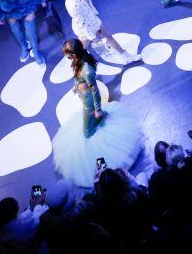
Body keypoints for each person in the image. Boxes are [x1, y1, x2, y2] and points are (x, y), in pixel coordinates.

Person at [51, 39, 145, 187]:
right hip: (84, 99)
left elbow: (95, 91)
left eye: (67, 54)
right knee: (93, 125)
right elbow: (78, 77)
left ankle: (102, 158)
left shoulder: (87, 69)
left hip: (89, 104)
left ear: (74, 54)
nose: (66, 57)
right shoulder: (77, 62)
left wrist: (98, 109)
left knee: (87, 132)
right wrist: (76, 85)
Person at [63, 0, 140, 65]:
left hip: (92, 20)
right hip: (84, 28)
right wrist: (92, 37)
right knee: (83, 48)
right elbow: (80, 21)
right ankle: (77, 63)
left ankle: (125, 57)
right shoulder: (72, 3)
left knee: (108, 36)